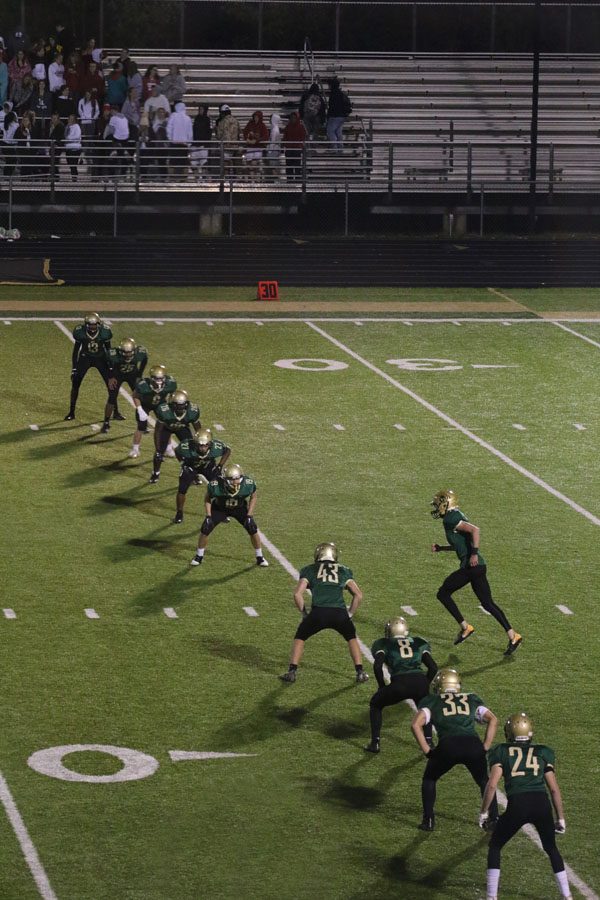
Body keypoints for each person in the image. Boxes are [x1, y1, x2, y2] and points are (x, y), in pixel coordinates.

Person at [480, 713, 571, 900]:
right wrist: (560, 818)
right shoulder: (543, 752)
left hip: (518, 804)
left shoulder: (501, 751)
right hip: (541, 804)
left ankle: (491, 897)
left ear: (509, 732)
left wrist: (484, 812)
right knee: (551, 848)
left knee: (495, 845)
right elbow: (553, 789)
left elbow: (491, 785)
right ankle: (567, 896)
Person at [430, 490, 522, 655]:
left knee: (443, 593)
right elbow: (462, 543)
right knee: (488, 603)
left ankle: (466, 627)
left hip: (471, 567)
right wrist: (442, 548)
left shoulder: (450, 518)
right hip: (477, 567)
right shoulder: (455, 516)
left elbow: (475, 530)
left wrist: (473, 554)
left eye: (438, 504)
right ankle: (513, 635)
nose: (436, 508)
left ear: (445, 503)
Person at [411, 667, 499, 832]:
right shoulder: (471, 698)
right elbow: (493, 720)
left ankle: (428, 820)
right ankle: (494, 818)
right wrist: (485, 746)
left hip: (448, 746)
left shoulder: (432, 701)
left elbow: (416, 724)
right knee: (484, 781)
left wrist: (427, 750)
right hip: (473, 745)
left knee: (429, 779)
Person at [280, 542, 367, 684]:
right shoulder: (344, 570)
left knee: (300, 637)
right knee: (351, 637)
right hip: (339, 613)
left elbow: (297, 594)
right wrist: (350, 614)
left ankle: (292, 671)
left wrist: (305, 614)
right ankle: (360, 672)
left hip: (318, 612)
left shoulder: (309, 570)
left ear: (318, 555)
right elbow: (358, 595)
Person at [364, 616, 438, 754]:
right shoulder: (418, 642)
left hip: (400, 682)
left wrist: (381, 686)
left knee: (376, 704)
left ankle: (375, 742)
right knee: (426, 708)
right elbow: (433, 667)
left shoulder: (383, 643)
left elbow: (377, 666)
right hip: (419, 680)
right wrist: (425, 684)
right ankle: (428, 741)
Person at [190, 463, 269, 568]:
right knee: (206, 528)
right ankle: (199, 556)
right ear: (224, 479)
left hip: (239, 508)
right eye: (231, 480)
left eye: (237, 479)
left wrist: (249, 516)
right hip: (219, 508)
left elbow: (253, 496)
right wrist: (208, 516)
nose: (235, 482)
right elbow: (207, 499)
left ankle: (260, 557)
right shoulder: (215, 485)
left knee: (252, 528)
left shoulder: (248, 483)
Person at [173, 428, 231, 523]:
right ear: (195, 444)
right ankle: (179, 512)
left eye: (206, 445)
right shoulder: (186, 446)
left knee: (220, 487)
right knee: (182, 489)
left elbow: (227, 450)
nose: (203, 448)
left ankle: (220, 512)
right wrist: (183, 463)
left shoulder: (216, 447)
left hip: (208, 466)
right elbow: (176, 451)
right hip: (191, 467)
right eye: (200, 445)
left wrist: (220, 465)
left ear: (210, 444)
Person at [64, 313, 114, 421]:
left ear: (98, 324)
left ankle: (116, 412)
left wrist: (111, 367)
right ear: (86, 325)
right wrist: (74, 368)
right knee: (75, 383)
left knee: (111, 385)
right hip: (85, 358)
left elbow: (109, 351)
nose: (92, 327)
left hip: (101, 358)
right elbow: (76, 351)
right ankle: (71, 411)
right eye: (90, 325)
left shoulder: (105, 332)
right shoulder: (80, 332)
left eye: (94, 325)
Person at [151, 390, 200, 483]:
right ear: (172, 404)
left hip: (182, 428)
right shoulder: (164, 410)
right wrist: (158, 449)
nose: (180, 407)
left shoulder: (192, 411)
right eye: (178, 405)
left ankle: (193, 474)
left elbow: (198, 430)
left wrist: (198, 443)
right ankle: (155, 473)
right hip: (166, 428)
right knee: (158, 454)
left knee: (191, 452)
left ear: (187, 404)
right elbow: (158, 431)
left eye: (182, 404)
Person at [101, 338, 148, 433]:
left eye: (129, 352)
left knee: (140, 397)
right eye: (124, 352)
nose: (127, 355)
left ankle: (142, 424)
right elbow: (105, 362)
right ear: (120, 351)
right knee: (112, 397)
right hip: (117, 375)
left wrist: (139, 375)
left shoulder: (140, 353)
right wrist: (110, 376)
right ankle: (106, 423)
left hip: (132, 375)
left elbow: (145, 359)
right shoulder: (113, 354)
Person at [129, 364, 177, 458]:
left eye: (161, 378)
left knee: (167, 426)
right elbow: (135, 396)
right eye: (156, 378)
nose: (159, 381)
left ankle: (168, 448)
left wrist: (170, 407)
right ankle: (135, 449)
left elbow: (172, 395)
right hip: (144, 404)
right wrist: (139, 409)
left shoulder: (170, 383)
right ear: (151, 378)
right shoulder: (143, 384)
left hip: (160, 404)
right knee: (141, 427)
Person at [166, 101, 192, 178]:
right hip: (184, 144)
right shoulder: (188, 118)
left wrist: (170, 139)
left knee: (172, 163)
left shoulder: (173, 116)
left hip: (174, 144)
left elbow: (169, 129)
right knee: (184, 163)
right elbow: (190, 133)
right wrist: (189, 143)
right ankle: (184, 180)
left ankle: (171, 179)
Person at [326, 76, 352, 151]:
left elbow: (332, 107)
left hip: (335, 116)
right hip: (342, 116)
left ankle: (335, 148)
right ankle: (340, 147)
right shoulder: (341, 94)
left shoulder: (333, 94)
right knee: (338, 131)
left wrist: (328, 116)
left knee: (330, 131)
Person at [214, 104, 239, 177]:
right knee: (231, 162)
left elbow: (219, 135)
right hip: (234, 146)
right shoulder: (236, 121)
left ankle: (226, 179)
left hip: (225, 146)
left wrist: (216, 130)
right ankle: (233, 179)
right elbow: (239, 133)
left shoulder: (222, 122)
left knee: (225, 163)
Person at [242, 109, 268, 177]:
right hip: (250, 147)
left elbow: (265, 137)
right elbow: (245, 132)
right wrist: (247, 139)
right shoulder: (250, 123)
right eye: (255, 117)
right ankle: (251, 180)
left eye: (257, 117)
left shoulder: (262, 125)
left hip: (258, 148)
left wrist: (256, 140)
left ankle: (256, 180)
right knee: (249, 164)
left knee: (255, 164)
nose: (256, 118)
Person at [282, 111, 306, 183]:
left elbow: (303, 137)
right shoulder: (288, 127)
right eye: (291, 118)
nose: (293, 119)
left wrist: (299, 146)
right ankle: (290, 181)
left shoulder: (301, 127)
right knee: (289, 166)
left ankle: (298, 181)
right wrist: (285, 145)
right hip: (289, 150)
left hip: (297, 150)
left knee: (297, 166)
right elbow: (285, 137)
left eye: (294, 118)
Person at [190, 102, 211, 179]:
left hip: (203, 145)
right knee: (194, 164)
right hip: (195, 144)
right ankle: (197, 179)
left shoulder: (207, 120)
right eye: (199, 109)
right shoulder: (196, 118)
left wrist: (206, 144)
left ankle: (204, 179)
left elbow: (209, 133)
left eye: (201, 109)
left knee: (204, 164)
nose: (200, 110)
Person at [264, 111, 283, 181]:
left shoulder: (275, 130)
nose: (269, 120)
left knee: (273, 166)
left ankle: (276, 180)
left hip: (273, 151)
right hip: (275, 150)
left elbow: (273, 141)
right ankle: (276, 180)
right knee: (274, 166)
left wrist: (269, 150)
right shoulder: (275, 128)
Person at [64, 113, 81, 181]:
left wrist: (69, 138)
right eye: (69, 119)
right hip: (68, 148)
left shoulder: (77, 126)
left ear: (74, 120)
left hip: (75, 148)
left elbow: (77, 136)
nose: (69, 120)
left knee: (73, 163)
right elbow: (65, 135)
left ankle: (74, 177)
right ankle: (74, 174)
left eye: (71, 119)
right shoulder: (67, 127)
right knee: (70, 163)